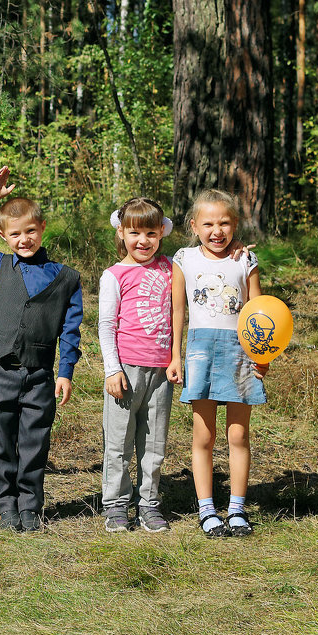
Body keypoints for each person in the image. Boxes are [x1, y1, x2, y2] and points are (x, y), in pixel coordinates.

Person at [0, 166, 82, 532]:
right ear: (3, 236)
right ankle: (6, 507)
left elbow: (71, 330)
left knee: (34, 443)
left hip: (40, 375)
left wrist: (65, 372)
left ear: (42, 228)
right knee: (1, 443)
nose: (24, 239)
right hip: (1, 372)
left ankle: (30, 507)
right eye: (15, 234)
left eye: (30, 231)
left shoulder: (66, 278)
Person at [172, 189, 269, 538]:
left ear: (236, 225)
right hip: (200, 351)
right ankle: (207, 509)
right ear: (194, 225)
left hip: (241, 352)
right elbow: (178, 311)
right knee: (205, 435)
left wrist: (262, 355)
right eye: (209, 223)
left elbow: (260, 312)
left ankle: (238, 509)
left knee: (238, 434)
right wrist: (175, 356)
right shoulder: (183, 258)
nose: (217, 231)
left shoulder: (246, 260)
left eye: (225, 223)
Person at [98, 198, 181, 533]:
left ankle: (148, 503)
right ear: (122, 232)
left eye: (150, 232)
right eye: (135, 233)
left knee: (154, 443)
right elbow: (106, 325)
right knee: (118, 444)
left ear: (161, 232)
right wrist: (111, 369)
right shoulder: (114, 275)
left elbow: (205, 257)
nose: (143, 240)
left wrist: (235, 249)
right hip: (126, 371)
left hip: (161, 372)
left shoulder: (171, 267)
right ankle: (116, 505)